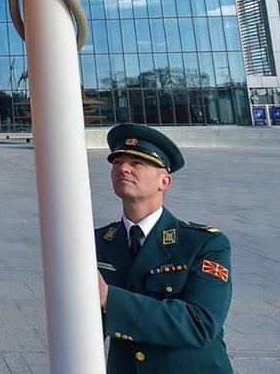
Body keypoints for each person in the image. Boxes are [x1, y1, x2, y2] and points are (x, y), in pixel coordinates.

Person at [95, 123, 233, 374]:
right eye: (117, 163)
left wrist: (108, 298)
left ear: (164, 181)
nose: (123, 168)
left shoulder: (204, 243)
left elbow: (199, 323)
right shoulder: (98, 242)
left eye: (137, 163)